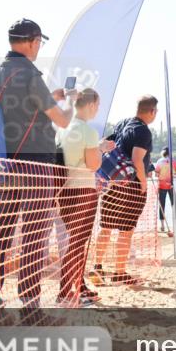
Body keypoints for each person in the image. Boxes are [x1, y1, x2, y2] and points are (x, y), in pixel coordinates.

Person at [0, 19, 77, 326]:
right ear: (32, 41)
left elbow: (8, 116)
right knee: (34, 237)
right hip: (36, 166)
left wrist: (52, 96)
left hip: (5, 166)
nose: (39, 48)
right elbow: (61, 121)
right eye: (40, 43)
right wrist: (70, 103)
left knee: (1, 233)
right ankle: (31, 309)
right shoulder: (31, 75)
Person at [91, 95, 158, 286]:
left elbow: (106, 143)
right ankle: (119, 272)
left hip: (112, 182)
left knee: (106, 226)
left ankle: (97, 267)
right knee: (126, 230)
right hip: (131, 185)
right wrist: (143, 183)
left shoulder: (123, 123)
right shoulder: (143, 131)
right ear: (152, 112)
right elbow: (138, 159)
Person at [56, 88, 112, 305]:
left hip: (65, 189)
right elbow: (93, 164)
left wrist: (96, 148)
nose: (98, 109)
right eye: (98, 105)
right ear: (91, 104)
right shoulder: (88, 131)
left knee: (73, 241)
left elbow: (73, 156)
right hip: (83, 190)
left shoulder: (64, 127)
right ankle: (65, 292)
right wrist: (100, 150)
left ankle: (78, 286)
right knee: (78, 244)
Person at [154, 147, 176, 230]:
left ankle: (162, 225)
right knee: (174, 205)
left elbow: (156, 174)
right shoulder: (173, 161)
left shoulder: (159, 161)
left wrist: (162, 175)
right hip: (172, 185)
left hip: (162, 185)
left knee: (162, 205)